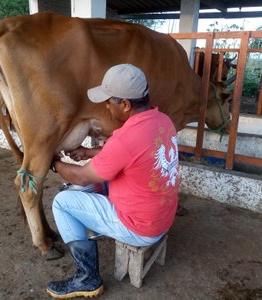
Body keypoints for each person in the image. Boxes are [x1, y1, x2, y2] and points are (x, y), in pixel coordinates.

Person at [46, 64, 179, 299]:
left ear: (125, 104)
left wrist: (54, 163)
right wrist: (88, 153)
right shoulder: (163, 121)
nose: (106, 106)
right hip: (162, 216)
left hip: (139, 227)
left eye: (109, 101)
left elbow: (80, 175)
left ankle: (87, 279)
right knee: (98, 182)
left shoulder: (126, 138)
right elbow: (132, 155)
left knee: (62, 201)